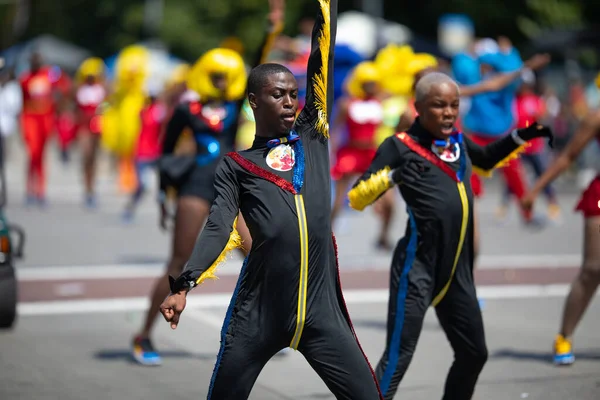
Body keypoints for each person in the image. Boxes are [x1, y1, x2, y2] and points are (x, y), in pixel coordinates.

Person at [159, 1, 383, 398]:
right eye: (277, 94)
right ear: (253, 102)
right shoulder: (237, 165)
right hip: (258, 315)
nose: (289, 102)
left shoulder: (313, 135)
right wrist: (184, 283)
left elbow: (321, 61)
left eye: (293, 94)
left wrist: (324, 8)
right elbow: (218, 224)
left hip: (321, 313)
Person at [347, 72, 554, 400]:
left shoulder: (457, 140)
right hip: (417, 270)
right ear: (418, 108)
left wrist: (522, 134)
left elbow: (485, 160)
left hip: (457, 273)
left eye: (454, 105)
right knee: (398, 357)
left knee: (474, 353)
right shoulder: (399, 146)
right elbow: (357, 196)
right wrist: (395, 176)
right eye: (439, 105)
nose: (448, 112)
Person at [130, 0, 283, 366]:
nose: (220, 81)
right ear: (203, 74)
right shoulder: (187, 108)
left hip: (232, 185)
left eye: (223, 75)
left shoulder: (235, 103)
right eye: (213, 75)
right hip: (194, 189)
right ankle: (144, 335)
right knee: (179, 264)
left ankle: (268, 331)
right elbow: (165, 156)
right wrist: (164, 200)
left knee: (259, 252)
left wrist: (271, 28)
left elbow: (259, 68)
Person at [522, 76, 600, 366]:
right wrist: (536, 188)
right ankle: (564, 335)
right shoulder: (596, 117)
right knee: (593, 269)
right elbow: (567, 156)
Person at [330, 61, 394, 249]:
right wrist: (332, 152)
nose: (371, 86)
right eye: (367, 82)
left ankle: (383, 235)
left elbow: (399, 90)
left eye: (373, 82)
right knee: (338, 200)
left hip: (371, 153)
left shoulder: (381, 101)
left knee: (388, 200)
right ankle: (326, 235)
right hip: (350, 152)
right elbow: (335, 129)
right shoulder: (347, 104)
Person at [74, 57, 107, 208]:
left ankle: (92, 189)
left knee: (94, 158)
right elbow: (76, 108)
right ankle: (87, 188)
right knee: (86, 156)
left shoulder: (101, 90)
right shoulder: (80, 90)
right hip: (84, 126)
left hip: (96, 125)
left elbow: (106, 106)